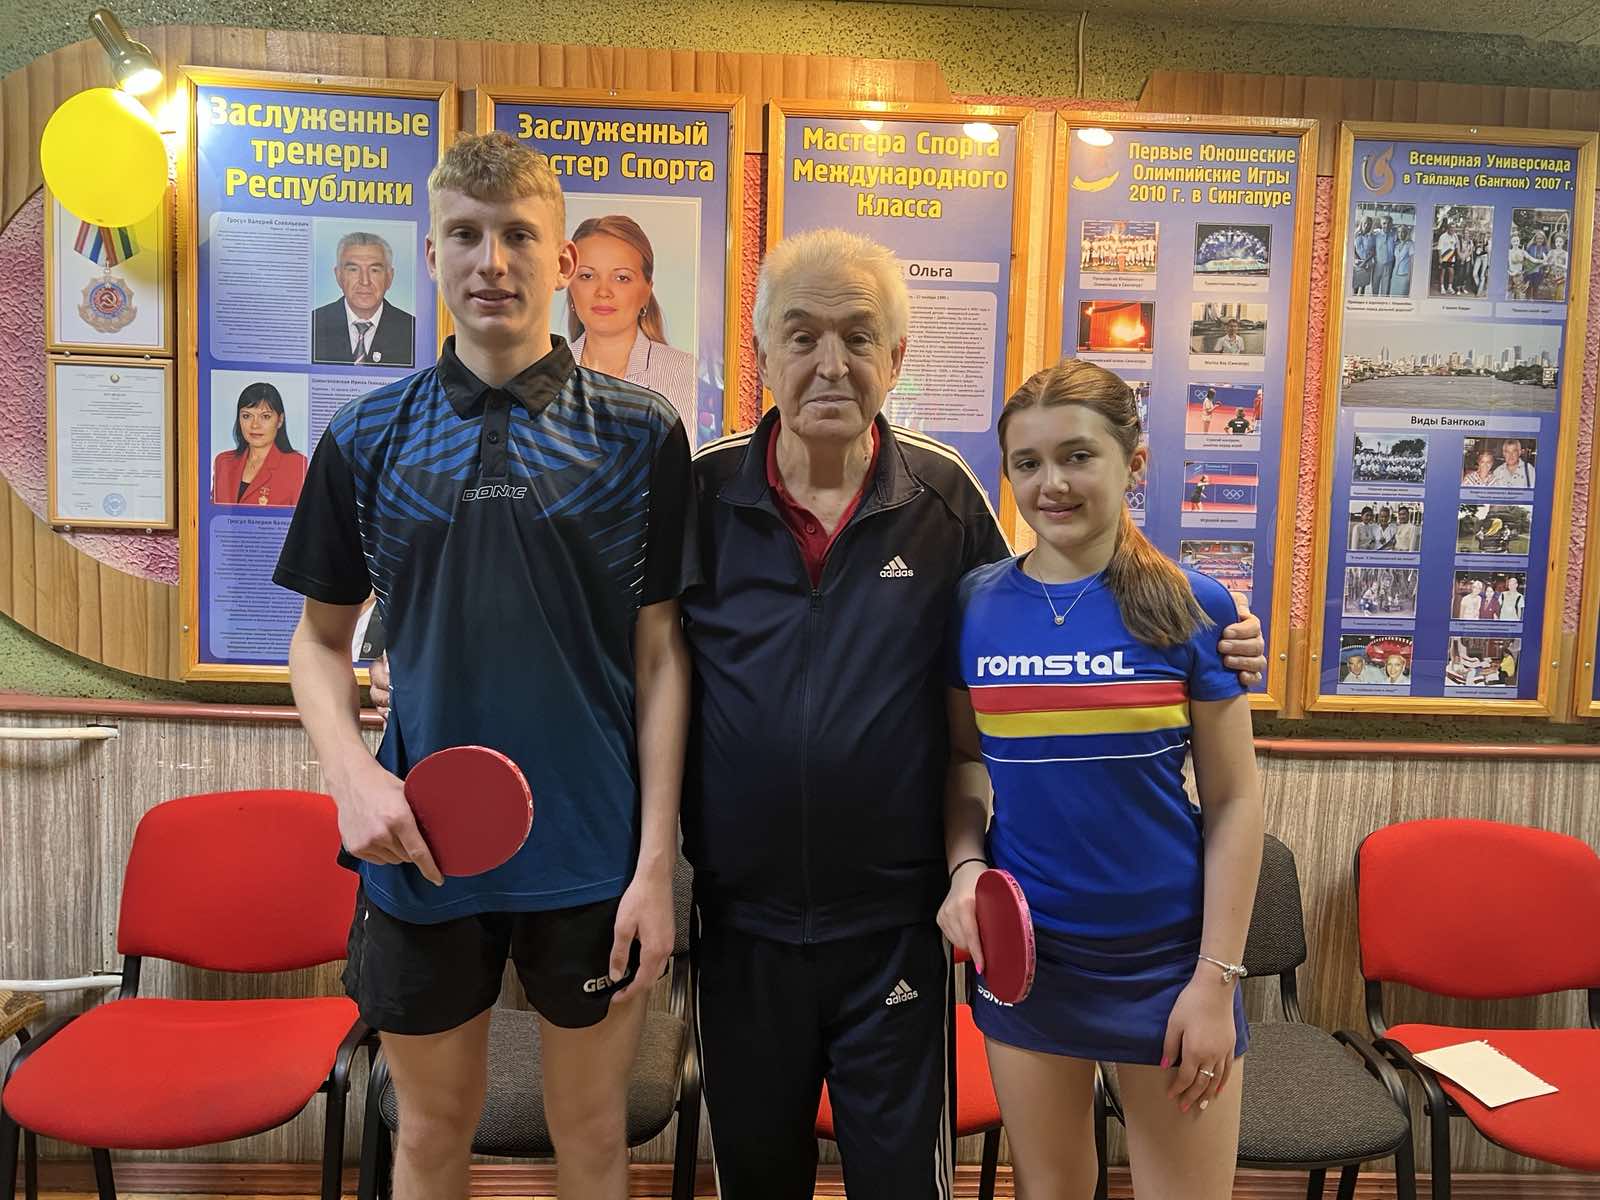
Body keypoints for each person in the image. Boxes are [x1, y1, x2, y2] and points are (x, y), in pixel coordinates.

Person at [274, 131, 697, 1200]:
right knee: (428, 1135)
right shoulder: (367, 436)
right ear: (432, 255)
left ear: (562, 262)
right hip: (422, 850)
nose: (491, 261)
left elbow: (662, 657)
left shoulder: (642, 434)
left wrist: (656, 863)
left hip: (595, 856)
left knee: (592, 1136)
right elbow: (318, 643)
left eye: (518, 235)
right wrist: (351, 776)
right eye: (465, 235)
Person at [939, 358, 1262, 1200]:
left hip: (1171, 965)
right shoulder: (974, 606)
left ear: (1133, 463)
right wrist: (965, 868)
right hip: (1030, 958)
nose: (1052, 483)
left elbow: (1234, 802)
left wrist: (1215, 979)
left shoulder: (1196, 607)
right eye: (1028, 462)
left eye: (1078, 456)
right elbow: (964, 761)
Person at [567, 214, 697, 432]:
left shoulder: (683, 372)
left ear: (647, 291)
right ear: (570, 285)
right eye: (587, 276)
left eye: (622, 278)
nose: (603, 292)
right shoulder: (545, 374)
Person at [311, 231, 417, 367]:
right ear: (338, 276)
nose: (365, 281)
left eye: (374, 270)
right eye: (353, 270)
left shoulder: (413, 331)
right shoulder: (313, 325)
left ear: (389, 277)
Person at [210, 381, 308, 508]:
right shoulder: (223, 462)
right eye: (247, 416)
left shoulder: (297, 466)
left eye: (265, 416)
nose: (255, 425)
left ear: (280, 420)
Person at [1373, 214, 1397, 295]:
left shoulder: (1394, 236)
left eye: (1389, 223)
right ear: (1381, 224)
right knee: (1375, 285)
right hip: (1378, 264)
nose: (1386, 226)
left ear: (1391, 224)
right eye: (1384, 223)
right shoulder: (1376, 235)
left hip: (1389, 264)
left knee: (1385, 288)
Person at [1391, 223, 1414, 297]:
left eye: (1403, 232)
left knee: (1402, 295)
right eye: (1399, 232)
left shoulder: (1410, 244)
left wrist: (1410, 277)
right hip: (1395, 274)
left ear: (1406, 233)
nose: (1400, 234)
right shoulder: (1396, 245)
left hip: (1405, 275)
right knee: (1394, 295)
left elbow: (1412, 262)